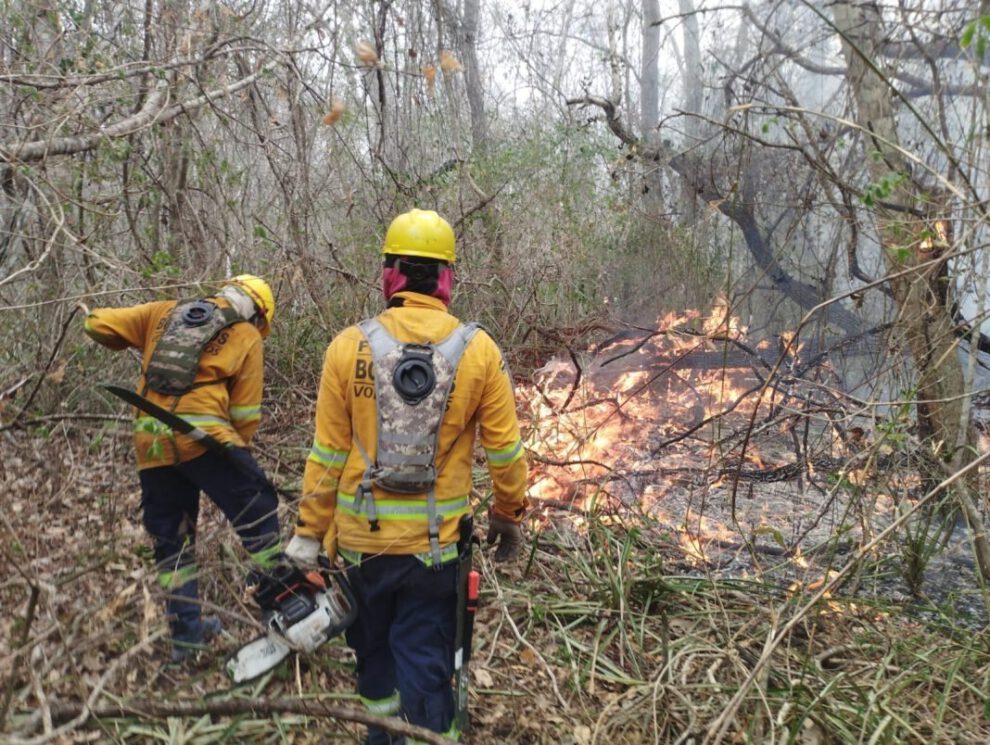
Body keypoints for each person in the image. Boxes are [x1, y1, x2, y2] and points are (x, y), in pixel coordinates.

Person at [285, 209, 529, 743]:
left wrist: (308, 535)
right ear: (447, 278)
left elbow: (326, 456)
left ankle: (381, 733)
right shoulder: (479, 351)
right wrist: (508, 514)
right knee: (425, 666)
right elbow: (506, 453)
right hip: (434, 554)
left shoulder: (347, 347)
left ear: (389, 274)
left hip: (359, 550)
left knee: (374, 663)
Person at [82, 275, 282, 662]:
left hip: (151, 442)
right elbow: (245, 415)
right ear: (257, 314)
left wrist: (126, 333)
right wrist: (236, 461)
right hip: (207, 438)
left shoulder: (164, 312)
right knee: (260, 515)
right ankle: (282, 611)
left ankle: (187, 639)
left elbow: (97, 324)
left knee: (173, 542)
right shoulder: (246, 335)